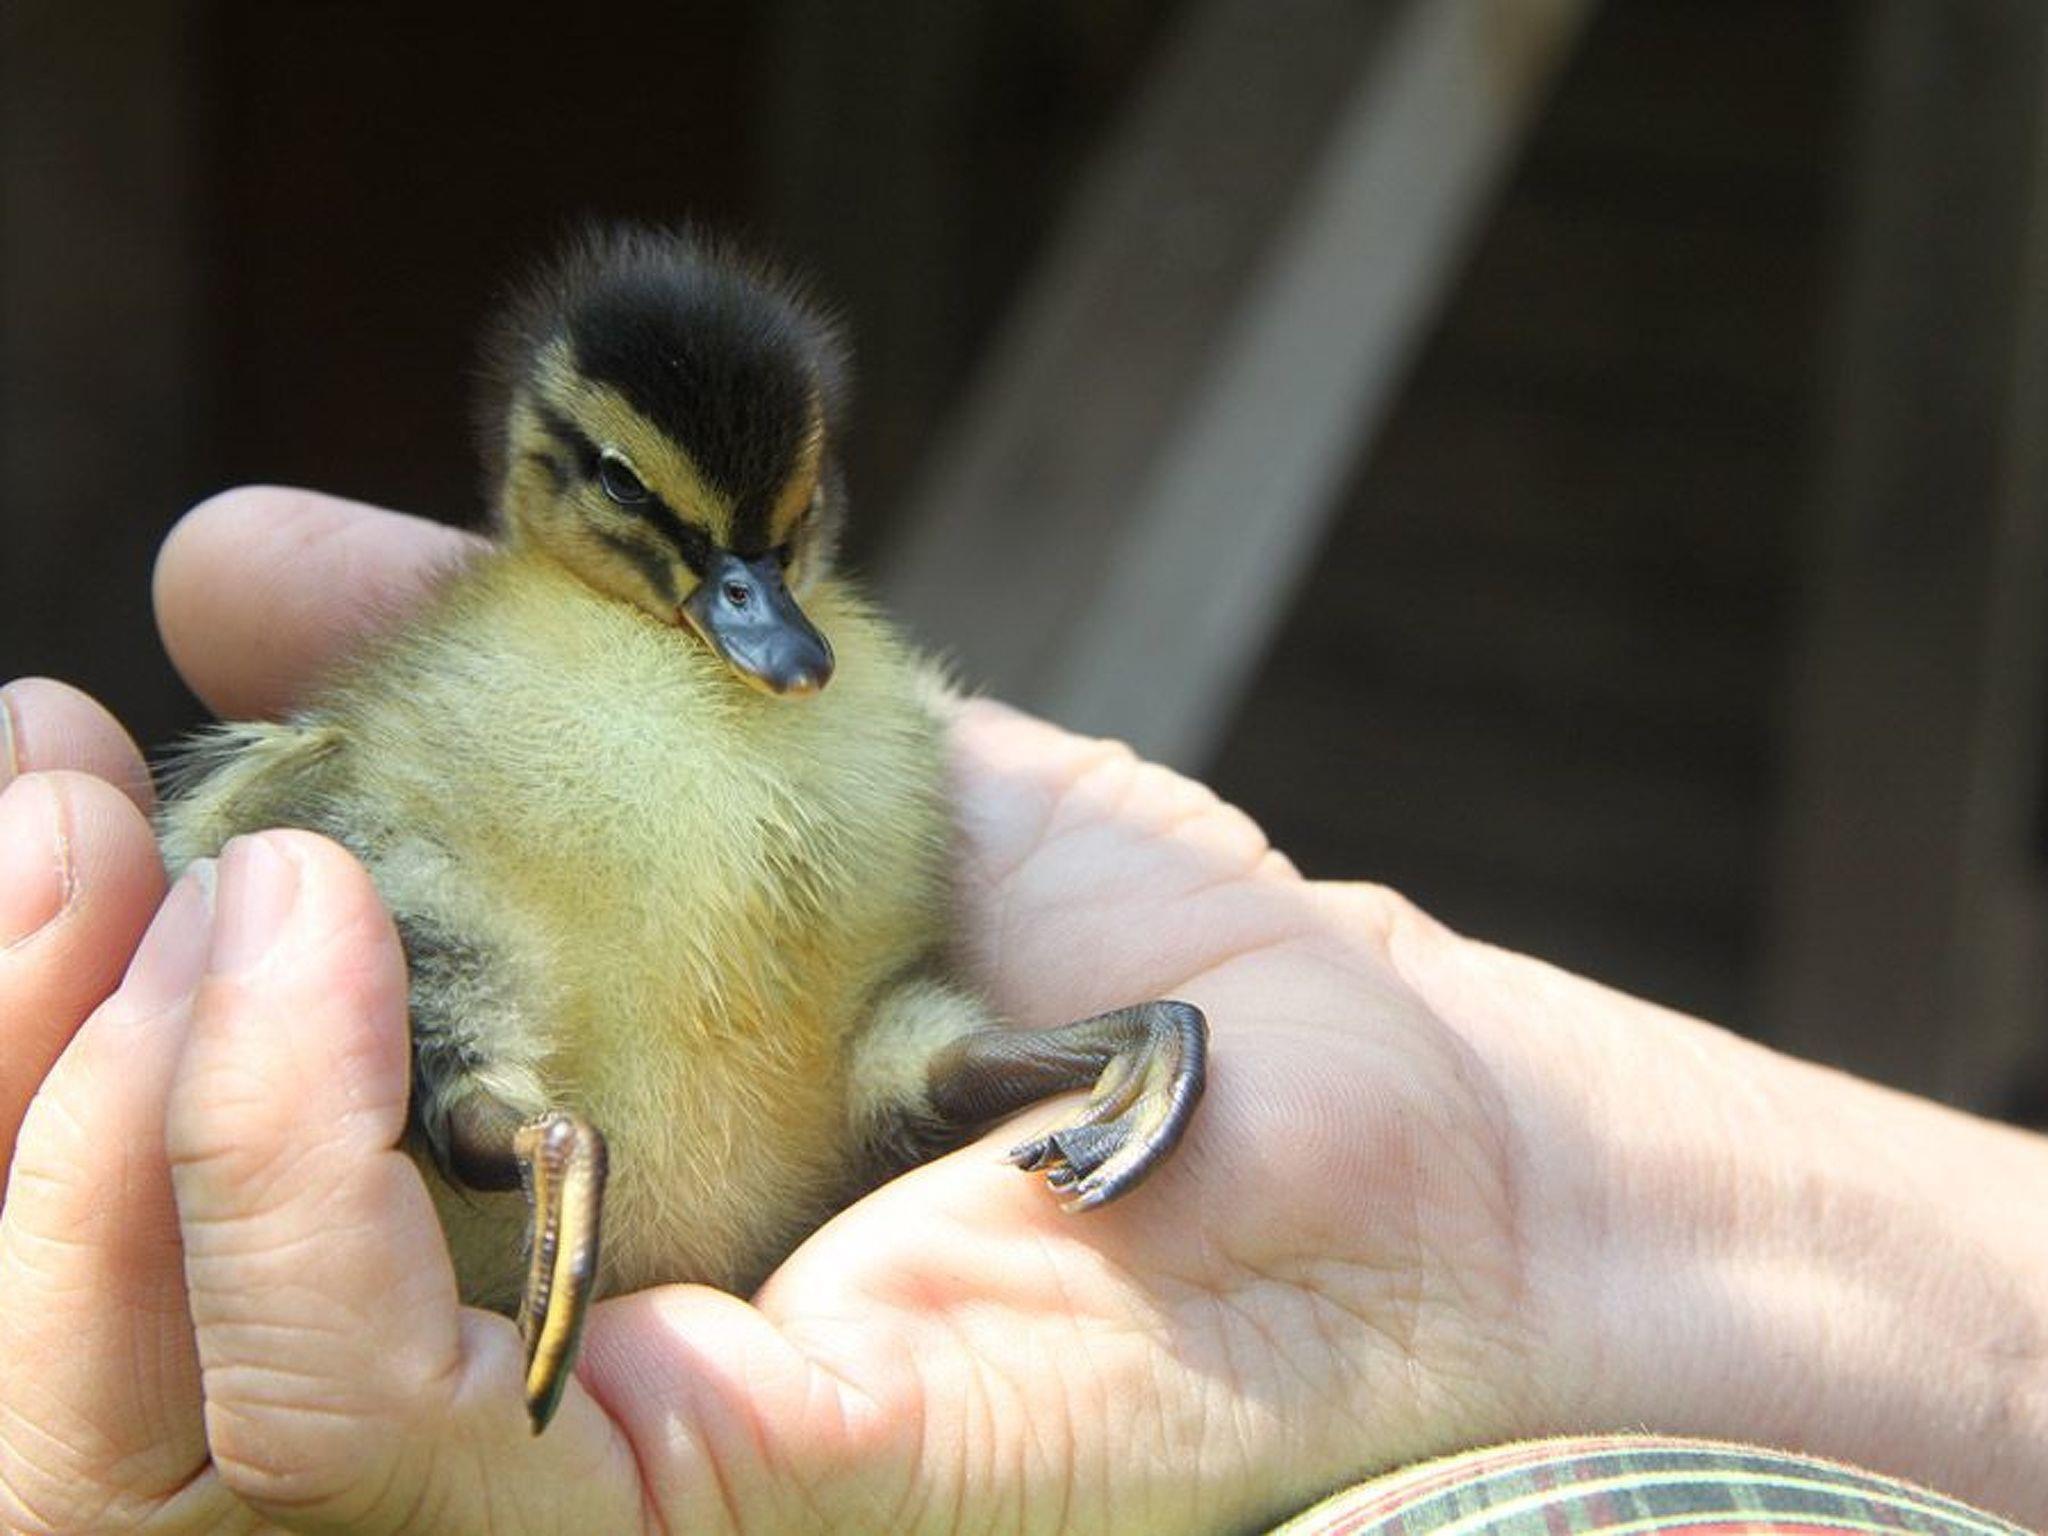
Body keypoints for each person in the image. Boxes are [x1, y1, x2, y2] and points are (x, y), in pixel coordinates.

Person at [0, 486, 2041, 1535]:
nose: (746, 606)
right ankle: (498, 1116)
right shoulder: (460, 733)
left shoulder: (849, 736)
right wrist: (1529, 1202)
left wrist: (1511, 1200)